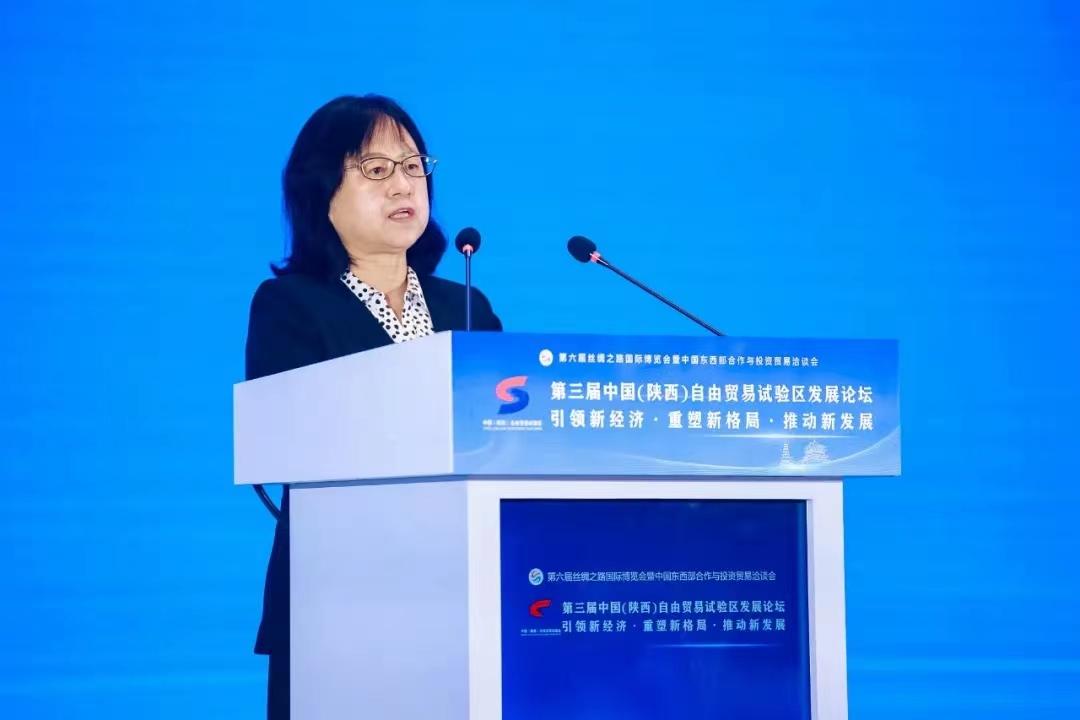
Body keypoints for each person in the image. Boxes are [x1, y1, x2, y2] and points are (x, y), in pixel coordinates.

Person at [244, 94, 502, 719]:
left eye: (413, 167)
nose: (403, 185)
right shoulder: (289, 305)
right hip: (337, 597)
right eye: (376, 169)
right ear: (320, 190)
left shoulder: (466, 306)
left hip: (461, 593)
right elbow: (297, 437)